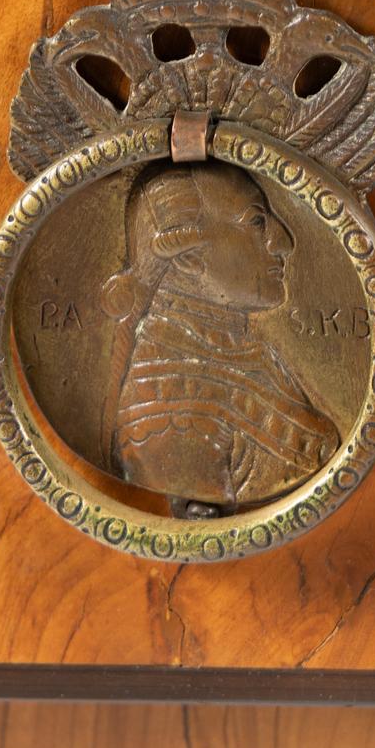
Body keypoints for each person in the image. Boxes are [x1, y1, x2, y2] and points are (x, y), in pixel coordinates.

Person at [100, 162, 338, 514]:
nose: (283, 242)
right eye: (256, 221)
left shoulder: (238, 358)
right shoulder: (170, 413)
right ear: (189, 256)